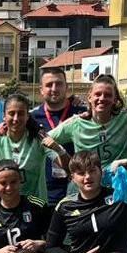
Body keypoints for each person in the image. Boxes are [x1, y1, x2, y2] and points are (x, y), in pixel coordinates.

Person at [0, 93, 63, 204]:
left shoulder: (38, 138)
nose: (16, 118)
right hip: (7, 207)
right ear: (4, 116)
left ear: (27, 116)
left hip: (36, 207)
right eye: (11, 113)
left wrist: (58, 149)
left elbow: (65, 165)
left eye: (21, 114)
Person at [29, 68, 87, 205]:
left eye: (59, 84)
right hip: (43, 192)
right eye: (49, 85)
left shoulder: (82, 115)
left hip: (78, 190)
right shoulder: (31, 118)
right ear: (41, 90)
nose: (54, 89)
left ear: (67, 87)